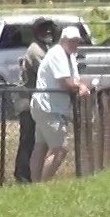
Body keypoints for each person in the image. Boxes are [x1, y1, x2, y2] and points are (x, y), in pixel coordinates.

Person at [29, 25, 92, 183]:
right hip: (47, 107)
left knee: (41, 147)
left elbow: (75, 81)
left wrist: (82, 85)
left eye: (77, 41)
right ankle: (43, 186)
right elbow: (65, 83)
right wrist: (81, 87)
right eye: (71, 41)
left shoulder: (69, 55)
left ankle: (35, 186)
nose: (74, 44)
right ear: (63, 40)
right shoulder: (57, 53)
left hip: (49, 107)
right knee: (60, 149)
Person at [14, 19, 56, 183]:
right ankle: (23, 175)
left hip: (37, 103)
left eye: (49, 29)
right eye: (43, 29)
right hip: (28, 103)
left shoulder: (44, 49)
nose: (47, 32)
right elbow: (47, 73)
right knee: (28, 140)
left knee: (36, 141)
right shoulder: (35, 50)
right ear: (36, 32)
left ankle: (29, 174)